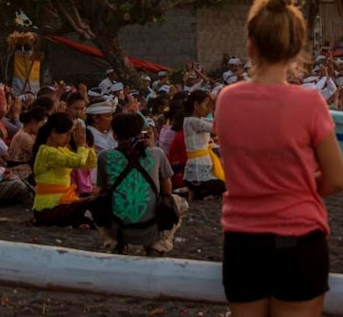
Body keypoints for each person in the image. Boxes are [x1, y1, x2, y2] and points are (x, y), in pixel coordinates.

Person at [214, 0, 343, 317]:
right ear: (295, 47)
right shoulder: (309, 102)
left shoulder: (226, 100)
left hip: (242, 242)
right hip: (299, 240)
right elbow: (335, 179)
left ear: (250, 46)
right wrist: (301, 185)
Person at [96, 111, 186, 255]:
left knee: (93, 205)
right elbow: (167, 190)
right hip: (150, 229)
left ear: (115, 135)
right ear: (142, 133)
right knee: (180, 202)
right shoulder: (156, 153)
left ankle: (114, 244)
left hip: (118, 230)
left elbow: (101, 190)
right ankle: (158, 245)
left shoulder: (105, 157)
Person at [31, 112, 98, 226]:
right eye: (66, 134)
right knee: (95, 201)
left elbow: (90, 163)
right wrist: (80, 146)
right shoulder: (46, 152)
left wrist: (85, 145)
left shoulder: (62, 150)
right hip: (48, 209)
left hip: (65, 203)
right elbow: (79, 161)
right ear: (54, 133)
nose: (68, 138)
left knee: (99, 199)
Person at [183, 89, 225, 200]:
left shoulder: (197, 120)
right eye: (207, 105)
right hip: (198, 172)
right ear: (196, 105)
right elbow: (218, 128)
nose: (208, 109)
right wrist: (215, 108)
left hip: (202, 167)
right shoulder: (192, 121)